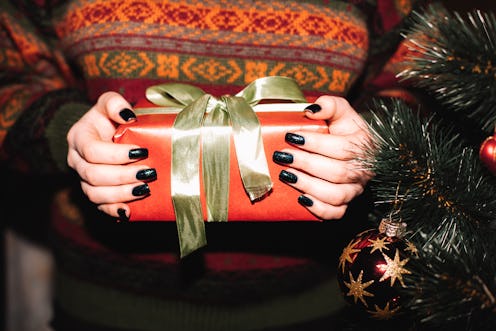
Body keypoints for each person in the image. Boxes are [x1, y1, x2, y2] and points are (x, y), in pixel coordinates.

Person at [0, 0, 432, 330]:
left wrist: (374, 138)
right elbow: (11, 77)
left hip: (314, 303)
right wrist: (66, 133)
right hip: (103, 303)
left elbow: (429, 78)